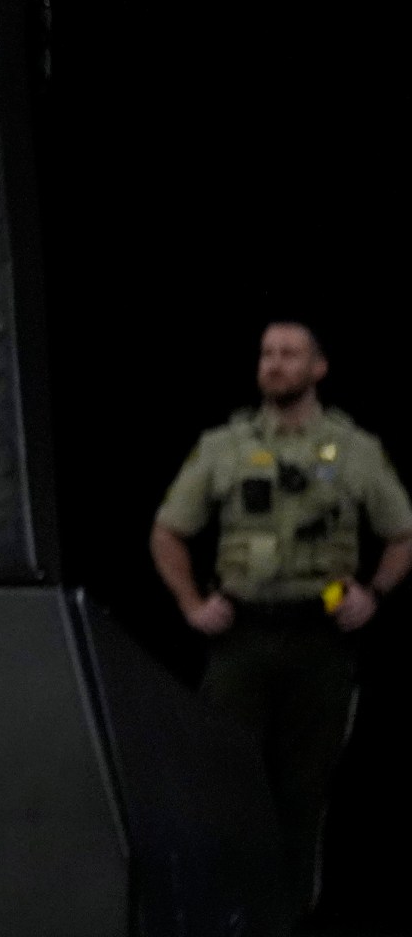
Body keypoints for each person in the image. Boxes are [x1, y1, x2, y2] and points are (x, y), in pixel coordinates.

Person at [150, 321, 412, 919]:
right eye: (267, 353)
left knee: (304, 792)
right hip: (242, 637)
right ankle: (222, 914)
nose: (274, 363)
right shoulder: (225, 445)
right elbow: (168, 532)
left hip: (320, 640)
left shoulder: (355, 449)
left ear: (319, 367)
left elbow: (402, 536)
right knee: (223, 782)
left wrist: (373, 592)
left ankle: (287, 919)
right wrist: (192, 604)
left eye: (289, 354)